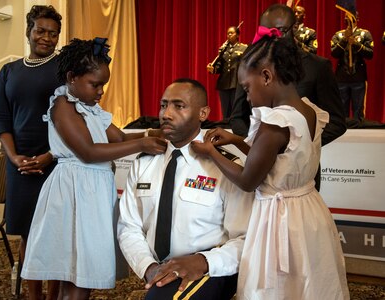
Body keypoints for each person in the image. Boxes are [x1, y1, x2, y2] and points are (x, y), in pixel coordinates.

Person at [191, 28, 349, 300]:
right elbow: (279, 158)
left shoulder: (275, 122)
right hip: (308, 211)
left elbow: (248, 180)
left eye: (246, 88)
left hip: (281, 219)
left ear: (266, 76)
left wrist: (211, 153)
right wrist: (236, 140)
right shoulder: (308, 109)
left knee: (277, 287)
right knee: (307, 282)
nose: (248, 97)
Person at [20, 38, 166, 300]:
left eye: (103, 85)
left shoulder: (92, 109)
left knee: (80, 272)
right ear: (72, 77)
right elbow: (87, 152)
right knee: (77, 271)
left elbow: (120, 139)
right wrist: (142, 144)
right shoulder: (63, 105)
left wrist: (153, 133)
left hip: (94, 193)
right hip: (74, 190)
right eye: (95, 84)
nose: (100, 91)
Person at [118, 78, 253, 300]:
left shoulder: (226, 166)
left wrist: (204, 261)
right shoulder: (143, 163)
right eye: (163, 105)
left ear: (203, 113)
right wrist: (149, 268)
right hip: (160, 268)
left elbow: (245, 238)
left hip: (211, 265)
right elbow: (129, 226)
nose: (166, 114)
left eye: (178, 106)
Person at [0, 5, 63, 299]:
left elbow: (75, 119)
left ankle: (53, 295)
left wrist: (51, 155)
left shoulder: (64, 69)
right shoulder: (9, 71)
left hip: (55, 161)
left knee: (55, 234)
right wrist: (14, 156)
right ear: (28, 31)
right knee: (28, 234)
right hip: (18, 163)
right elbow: (0, 117)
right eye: (40, 31)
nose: (46, 38)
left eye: (53, 33)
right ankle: (33, 295)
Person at [229, 4, 346, 190]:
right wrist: (260, 148)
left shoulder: (318, 66)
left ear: (296, 28)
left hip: (300, 172)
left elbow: (337, 122)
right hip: (258, 166)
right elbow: (237, 116)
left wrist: (299, 145)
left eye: (281, 31)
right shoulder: (249, 65)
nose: (273, 38)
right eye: (267, 32)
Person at [331, 12, 374, 122]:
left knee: (358, 111)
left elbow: (370, 54)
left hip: (358, 77)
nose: (347, 19)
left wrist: (356, 44)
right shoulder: (339, 35)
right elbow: (334, 53)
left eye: (350, 17)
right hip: (342, 77)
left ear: (357, 18)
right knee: (342, 110)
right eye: (346, 17)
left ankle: (359, 135)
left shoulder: (365, 34)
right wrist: (345, 40)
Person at [207, 26, 248, 120]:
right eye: (228, 33)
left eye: (231, 33)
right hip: (224, 84)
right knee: (225, 111)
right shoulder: (223, 49)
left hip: (237, 83)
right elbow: (219, 67)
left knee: (236, 110)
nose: (229, 35)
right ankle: (226, 129)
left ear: (237, 35)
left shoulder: (243, 48)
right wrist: (212, 69)